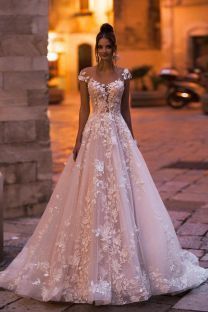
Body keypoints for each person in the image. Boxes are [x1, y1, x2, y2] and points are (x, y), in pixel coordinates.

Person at [0, 23, 207, 306]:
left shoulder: (124, 74)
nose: (104, 51)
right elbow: (84, 109)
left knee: (124, 193)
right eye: (100, 47)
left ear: (114, 49)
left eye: (108, 47)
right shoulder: (86, 75)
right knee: (90, 194)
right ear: (96, 50)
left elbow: (125, 110)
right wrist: (77, 141)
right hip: (94, 133)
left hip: (118, 134)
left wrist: (132, 140)